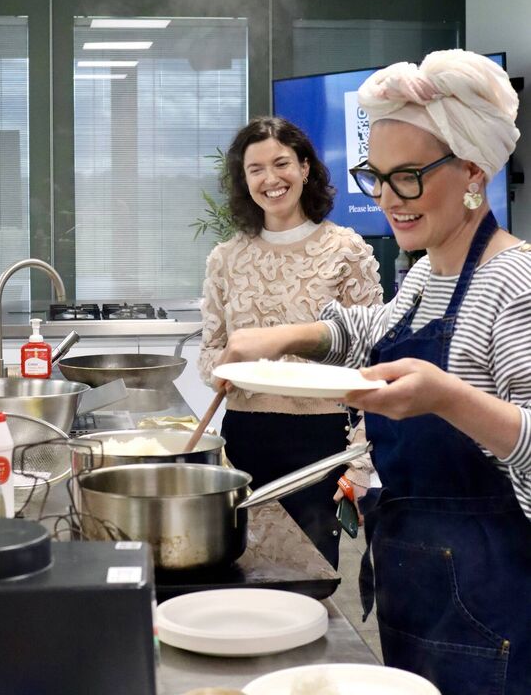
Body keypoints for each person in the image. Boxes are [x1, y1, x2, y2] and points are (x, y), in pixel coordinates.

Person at [217, 51, 531, 695]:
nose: (389, 198)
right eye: (377, 176)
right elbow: (372, 330)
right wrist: (289, 336)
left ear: (473, 170)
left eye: (409, 176)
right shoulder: (426, 271)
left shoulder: (514, 283)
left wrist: (445, 396)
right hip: (415, 578)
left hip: (491, 596)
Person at [198, 116, 382, 568]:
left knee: (310, 575)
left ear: (304, 168)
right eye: (255, 169)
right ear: (244, 181)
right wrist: (227, 362)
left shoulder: (347, 250)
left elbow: (376, 362)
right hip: (244, 437)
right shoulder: (226, 258)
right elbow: (208, 355)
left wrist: (360, 463)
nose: (270, 179)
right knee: (241, 568)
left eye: (281, 163)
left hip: (321, 441)